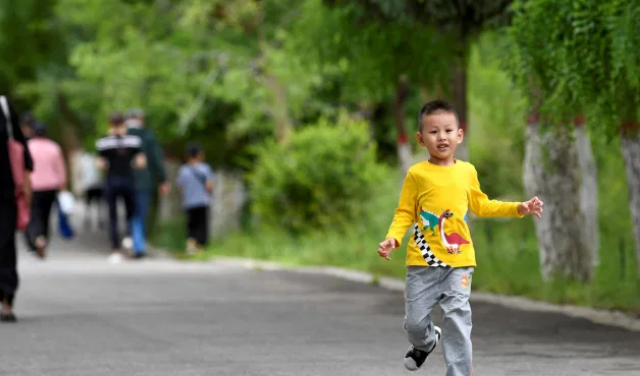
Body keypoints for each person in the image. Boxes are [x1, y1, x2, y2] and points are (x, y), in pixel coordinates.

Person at [377, 100, 544, 375]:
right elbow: (405, 212)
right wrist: (393, 238)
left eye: (448, 130)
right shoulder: (417, 174)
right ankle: (428, 341)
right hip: (422, 265)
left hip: (459, 262)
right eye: (433, 132)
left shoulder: (467, 171)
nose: (441, 137)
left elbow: (482, 205)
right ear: (421, 138)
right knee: (416, 324)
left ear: (459, 135)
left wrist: (518, 208)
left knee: (457, 318)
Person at [0, 96, 33, 322]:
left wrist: (27, 189)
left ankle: (6, 299)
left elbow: (20, 146)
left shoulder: (3, 105)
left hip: (4, 188)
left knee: (4, 243)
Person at [96, 112, 146, 263]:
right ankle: (129, 238)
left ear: (110, 123)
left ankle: (115, 249)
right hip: (129, 180)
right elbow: (141, 163)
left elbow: (100, 164)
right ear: (124, 123)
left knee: (112, 216)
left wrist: (110, 164)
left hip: (112, 180)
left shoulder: (103, 142)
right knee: (131, 212)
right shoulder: (134, 140)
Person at [126, 109, 169, 258]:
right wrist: (163, 180)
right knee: (140, 213)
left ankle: (131, 241)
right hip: (144, 182)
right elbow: (157, 160)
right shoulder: (149, 136)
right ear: (141, 119)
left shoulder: (122, 136)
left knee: (130, 213)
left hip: (125, 182)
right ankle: (138, 245)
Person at [24, 122, 67, 259]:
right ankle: (44, 239)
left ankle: (37, 238)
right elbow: (60, 168)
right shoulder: (54, 147)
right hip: (50, 186)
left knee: (33, 214)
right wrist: (62, 184)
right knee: (46, 215)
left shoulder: (28, 147)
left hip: (33, 186)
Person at [176, 142, 214, 254]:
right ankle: (200, 248)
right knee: (202, 225)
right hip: (202, 201)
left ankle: (191, 244)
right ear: (200, 155)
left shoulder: (183, 170)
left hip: (189, 202)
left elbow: (180, 187)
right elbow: (209, 185)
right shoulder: (205, 168)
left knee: (191, 224)